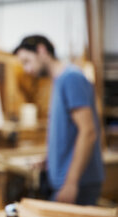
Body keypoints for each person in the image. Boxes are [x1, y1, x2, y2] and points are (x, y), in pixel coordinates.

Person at [13, 35, 104, 205]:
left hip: (77, 184)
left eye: (27, 61)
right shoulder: (59, 81)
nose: (26, 69)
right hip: (68, 181)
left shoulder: (71, 78)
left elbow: (88, 131)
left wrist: (71, 183)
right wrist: (51, 159)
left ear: (41, 50)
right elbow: (70, 132)